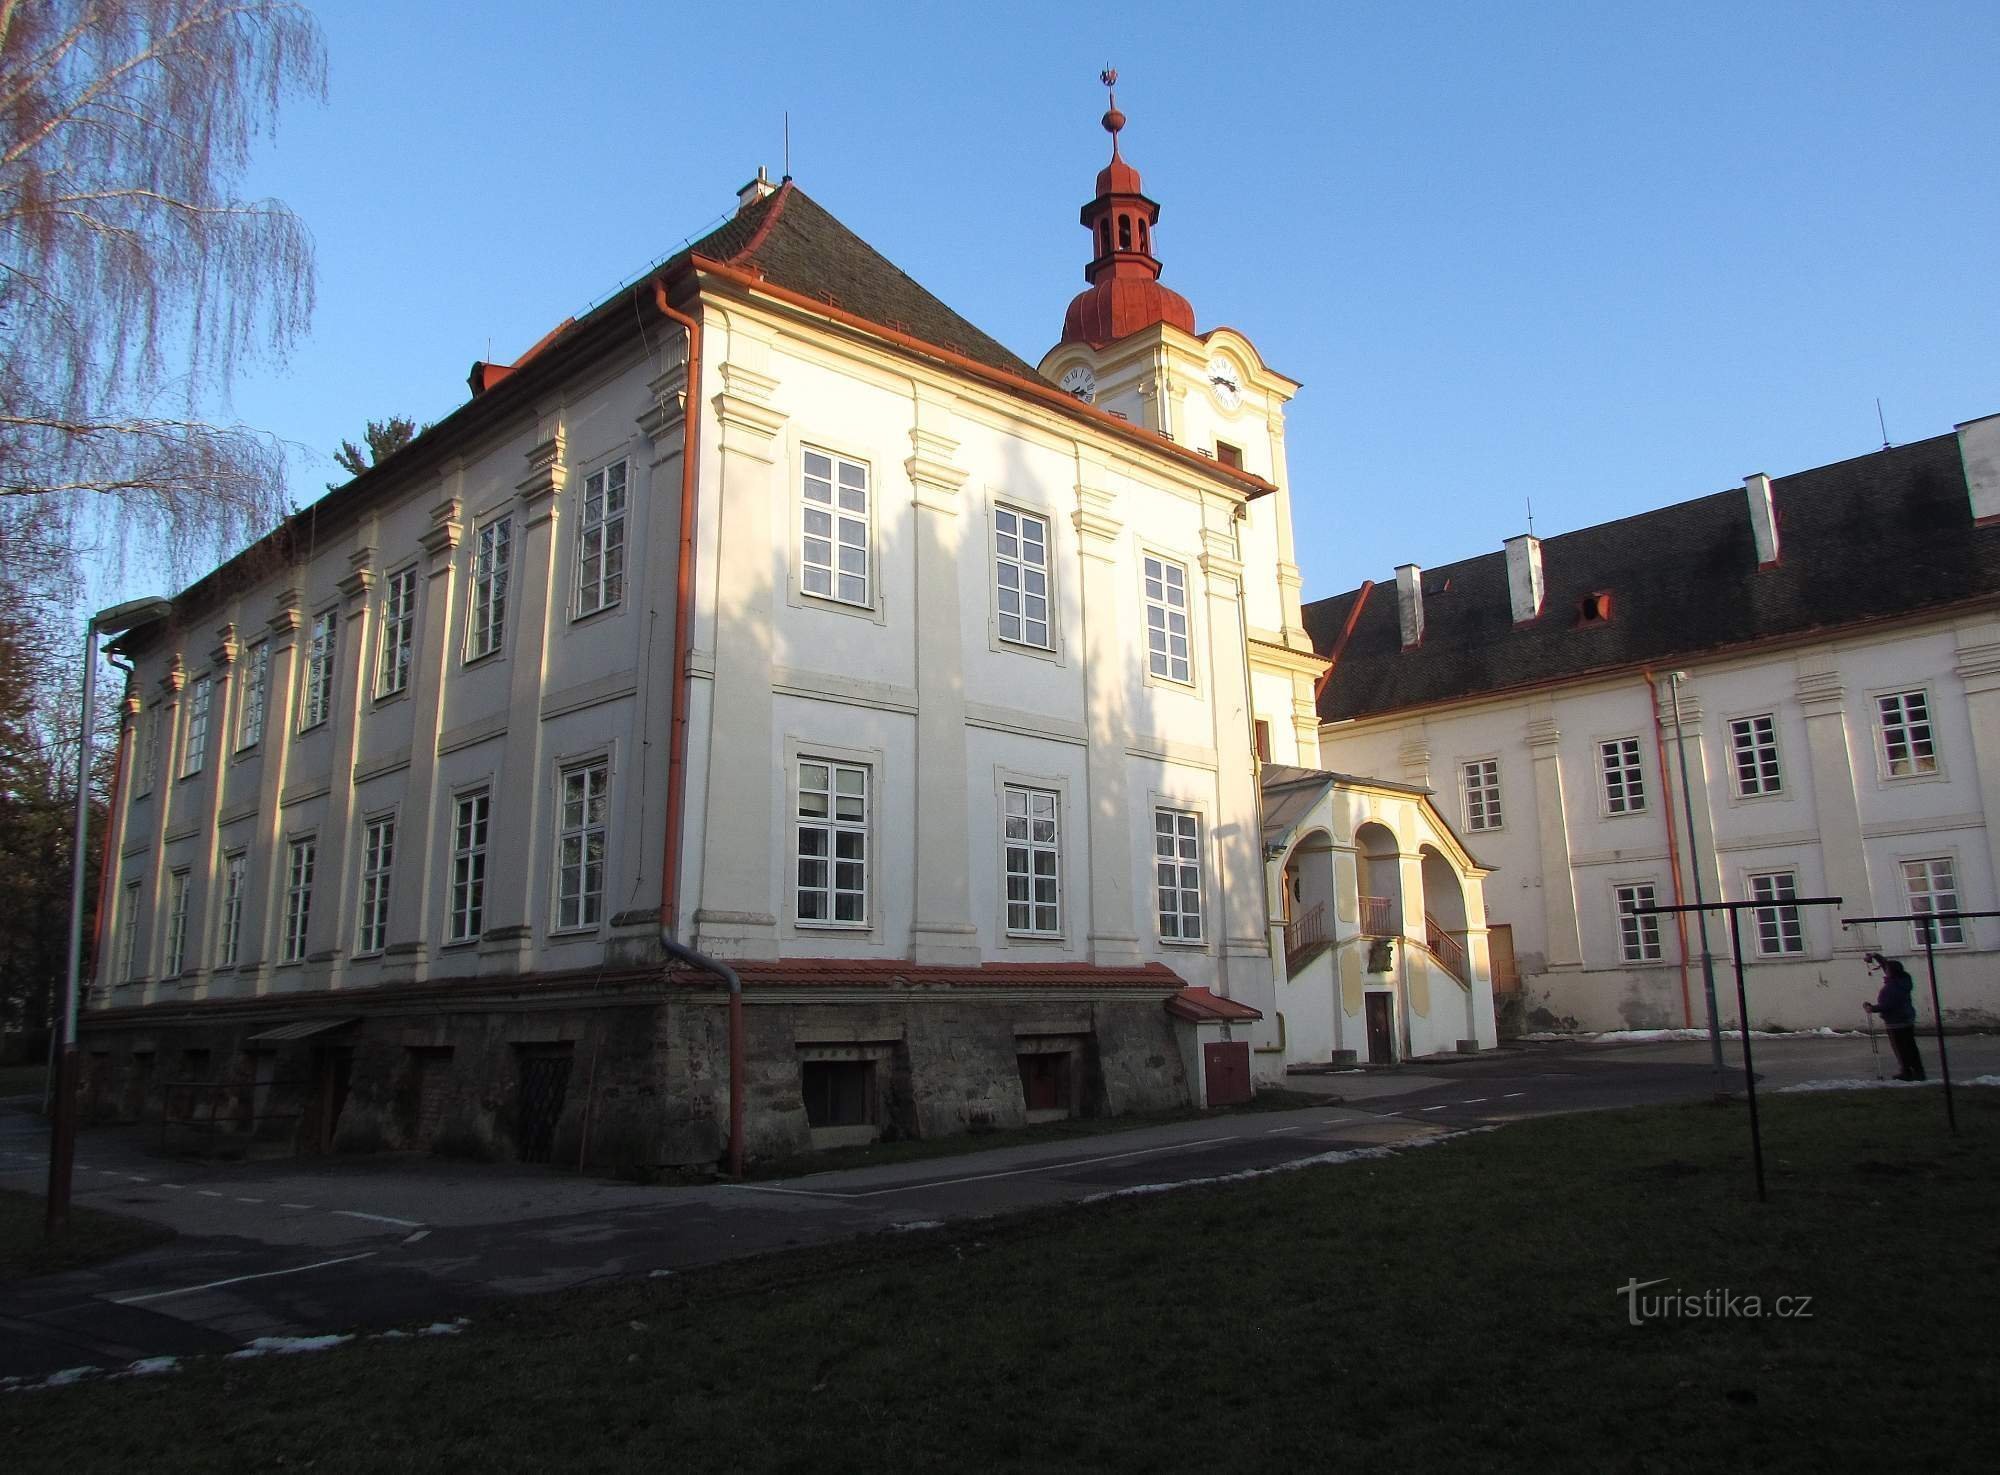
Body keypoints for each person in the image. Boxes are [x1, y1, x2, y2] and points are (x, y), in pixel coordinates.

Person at [1863, 952, 1925, 1081]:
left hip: (1897, 1021)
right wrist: (1875, 956)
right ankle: (1915, 1071)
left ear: (1892, 972)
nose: (1885, 971)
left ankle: (1909, 1072)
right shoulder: (1903, 980)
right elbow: (1886, 965)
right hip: (1905, 1019)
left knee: (1902, 1049)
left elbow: (1889, 1004)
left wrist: (1872, 1008)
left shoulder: (1894, 987)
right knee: (1910, 1047)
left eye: (1888, 970)